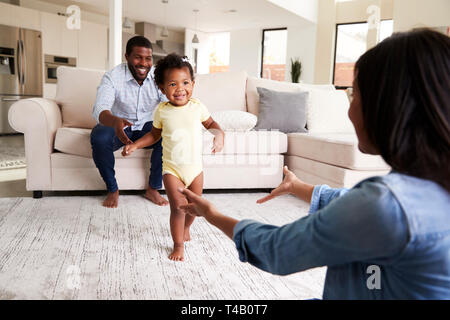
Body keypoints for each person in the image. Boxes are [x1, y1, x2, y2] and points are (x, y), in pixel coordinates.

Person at [177, 29, 450, 299]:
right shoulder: (426, 188)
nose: (349, 110)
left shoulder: (386, 205)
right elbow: (355, 205)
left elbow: (278, 250)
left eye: (354, 94)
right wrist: (299, 187)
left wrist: (211, 213)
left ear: (387, 106)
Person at [123, 53, 225, 262]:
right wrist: (135, 144)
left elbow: (212, 125)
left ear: (193, 84)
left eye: (185, 82)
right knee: (178, 208)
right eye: (172, 84)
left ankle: (187, 228)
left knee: (195, 209)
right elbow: (154, 135)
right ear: (162, 88)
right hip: (172, 171)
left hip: (195, 169)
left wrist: (219, 136)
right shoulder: (162, 111)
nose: (180, 89)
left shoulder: (198, 107)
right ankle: (178, 244)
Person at [91, 36, 169, 208]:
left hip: (147, 128)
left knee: (168, 133)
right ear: (126, 57)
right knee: (99, 137)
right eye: (138, 57)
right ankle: (112, 189)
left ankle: (153, 189)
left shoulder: (158, 77)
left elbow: (170, 103)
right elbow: (100, 109)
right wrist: (115, 121)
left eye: (148, 58)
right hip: (118, 126)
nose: (144, 63)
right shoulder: (112, 77)